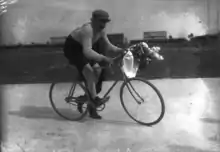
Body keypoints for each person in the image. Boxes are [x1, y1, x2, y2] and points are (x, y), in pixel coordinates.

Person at [63, 9, 124, 119]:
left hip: (84, 48)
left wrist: (121, 50)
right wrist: (104, 58)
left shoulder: (101, 30)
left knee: (98, 70)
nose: (103, 24)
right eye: (101, 21)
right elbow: (87, 51)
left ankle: (88, 97)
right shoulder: (87, 30)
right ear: (93, 20)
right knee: (89, 71)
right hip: (73, 48)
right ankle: (94, 99)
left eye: (105, 22)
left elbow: (109, 45)